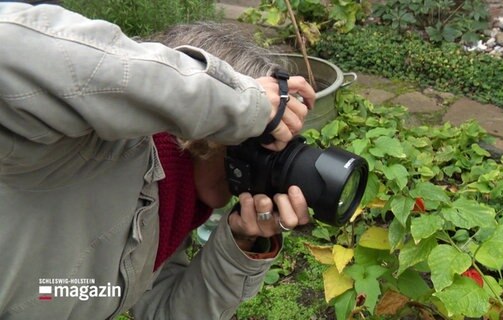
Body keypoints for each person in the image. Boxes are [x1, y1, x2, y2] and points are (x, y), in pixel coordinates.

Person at [0, 3, 315, 320]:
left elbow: (162, 312)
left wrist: (240, 245)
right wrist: (243, 104)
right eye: (261, 133)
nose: (266, 150)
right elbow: (8, 42)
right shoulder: (79, 145)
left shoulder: (167, 212)